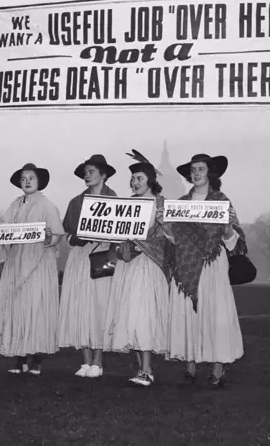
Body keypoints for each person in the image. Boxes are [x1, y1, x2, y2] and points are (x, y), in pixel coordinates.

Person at [161, 153, 247, 388]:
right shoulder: (180, 203)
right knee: (188, 312)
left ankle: (218, 368)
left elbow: (235, 242)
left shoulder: (221, 201)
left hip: (213, 263)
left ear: (210, 173)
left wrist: (228, 227)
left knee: (214, 313)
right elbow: (174, 239)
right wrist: (166, 226)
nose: (196, 173)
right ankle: (190, 365)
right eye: (193, 170)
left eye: (201, 169)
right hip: (187, 263)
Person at [0, 163, 65, 375]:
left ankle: (37, 359)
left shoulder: (47, 205)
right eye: (24, 178)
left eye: (31, 177)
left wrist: (50, 237)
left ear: (39, 181)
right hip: (16, 261)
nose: (28, 181)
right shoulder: (14, 205)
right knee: (16, 308)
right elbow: (3, 229)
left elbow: (57, 234)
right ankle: (19, 357)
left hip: (38, 262)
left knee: (37, 307)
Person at [102, 151, 170, 387]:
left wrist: (141, 243)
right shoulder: (128, 204)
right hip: (129, 265)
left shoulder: (160, 205)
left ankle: (147, 368)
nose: (135, 182)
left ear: (150, 180)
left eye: (139, 178)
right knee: (131, 313)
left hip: (149, 266)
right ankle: (143, 369)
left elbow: (166, 236)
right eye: (133, 179)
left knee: (144, 314)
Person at [57, 154, 118, 378]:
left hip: (103, 256)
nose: (87, 175)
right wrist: (76, 239)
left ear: (103, 175)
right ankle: (85, 361)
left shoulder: (115, 201)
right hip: (80, 258)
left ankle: (98, 360)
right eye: (85, 172)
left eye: (92, 171)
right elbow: (68, 235)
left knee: (99, 307)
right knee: (80, 305)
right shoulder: (76, 202)